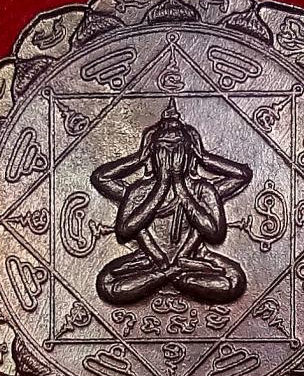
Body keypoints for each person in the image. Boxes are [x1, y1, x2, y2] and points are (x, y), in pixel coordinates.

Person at [90, 98, 252, 304]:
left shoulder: (202, 189)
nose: (170, 156)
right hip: (148, 260)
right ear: (152, 153)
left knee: (234, 282)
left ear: (189, 154)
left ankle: (169, 275)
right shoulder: (139, 190)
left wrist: (197, 165)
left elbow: (215, 233)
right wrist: (153, 175)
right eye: (162, 149)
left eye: (178, 149)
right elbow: (124, 230)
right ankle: (168, 275)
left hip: (194, 259)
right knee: (107, 284)